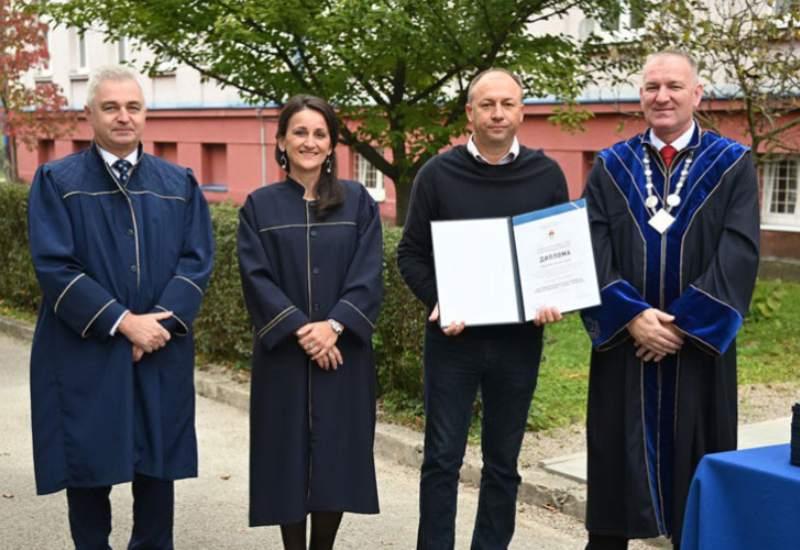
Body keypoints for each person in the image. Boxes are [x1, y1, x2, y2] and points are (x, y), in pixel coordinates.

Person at [27, 65, 214, 549]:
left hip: (158, 349)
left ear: (146, 114)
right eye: (110, 107)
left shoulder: (179, 183)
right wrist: (122, 323)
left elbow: (196, 262)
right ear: (89, 114)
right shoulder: (56, 181)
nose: (123, 117)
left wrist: (159, 325)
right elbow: (55, 269)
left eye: (133, 106)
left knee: (157, 470)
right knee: (88, 469)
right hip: (85, 349)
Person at [580, 51, 760, 550]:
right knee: (613, 497)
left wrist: (681, 326)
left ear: (697, 94)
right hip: (625, 353)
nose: (662, 96)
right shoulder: (610, 167)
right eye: (651, 86)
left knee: (698, 503)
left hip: (697, 357)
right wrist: (632, 316)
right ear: (640, 95)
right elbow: (593, 253)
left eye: (674, 86)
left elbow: (739, 254)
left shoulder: (732, 165)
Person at [397, 68, 567, 550]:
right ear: (469, 112)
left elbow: (559, 256)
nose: (497, 113)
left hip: (518, 343)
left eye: (507, 104)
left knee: (502, 463)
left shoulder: (546, 175)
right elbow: (409, 253)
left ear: (522, 111)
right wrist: (439, 297)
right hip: (453, 341)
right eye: (486, 104)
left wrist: (552, 298)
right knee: (442, 459)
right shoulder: (437, 174)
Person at [237, 94, 383, 550]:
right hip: (283, 357)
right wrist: (303, 328)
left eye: (319, 133)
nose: (309, 141)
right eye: (299, 132)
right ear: (281, 140)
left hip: (343, 359)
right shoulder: (259, 206)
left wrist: (334, 326)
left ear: (331, 143)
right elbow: (255, 275)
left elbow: (369, 272)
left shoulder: (358, 202)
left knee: (337, 458)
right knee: (286, 459)